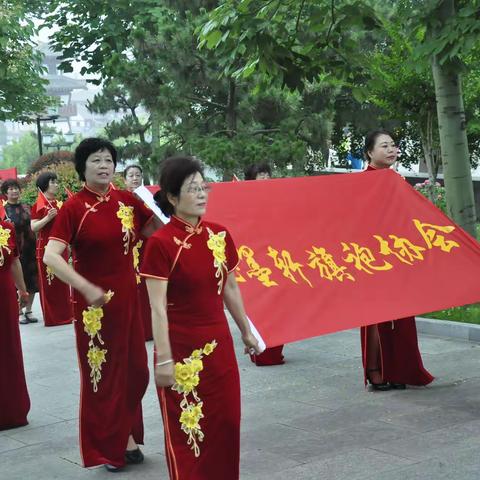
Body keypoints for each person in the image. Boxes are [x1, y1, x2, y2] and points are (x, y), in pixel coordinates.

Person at [141, 156, 261, 480]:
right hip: (181, 351)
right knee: (189, 432)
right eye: (192, 189)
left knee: (226, 423)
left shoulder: (219, 236)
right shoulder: (161, 244)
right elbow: (157, 307)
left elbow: (231, 287)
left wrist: (246, 331)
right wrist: (163, 360)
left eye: (202, 186)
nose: (201, 194)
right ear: (172, 197)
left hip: (218, 347)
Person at [44, 138, 160, 471]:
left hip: (129, 302)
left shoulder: (127, 201)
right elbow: (52, 256)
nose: (104, 165)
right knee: (105, 376)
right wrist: (85, 287)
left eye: (109, 159)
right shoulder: (73, 208)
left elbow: (156, 231)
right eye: (96, 160)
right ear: (83, 167)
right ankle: (117, 444)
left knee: (136, 373)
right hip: (94, 308)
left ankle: (122, 433)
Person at [361, 130, 434, 390]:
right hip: (372, 259)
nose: (391, 149)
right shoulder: (361, 183)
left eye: (393, 145)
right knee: (375, 315)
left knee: (401, 315)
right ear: (370, 152)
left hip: (398, 256)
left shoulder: (395, 179)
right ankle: (375, 369)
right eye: (384, 146)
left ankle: (401, 369)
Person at [244, 163, 285, 366]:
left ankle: (275, 352)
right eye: (261, 174)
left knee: (278, 307)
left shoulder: (278, 199)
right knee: (260, 307)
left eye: (267, 174)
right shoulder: (245, 203)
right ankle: (258, 351)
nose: (265, 178)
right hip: (256, 260)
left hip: (277, 258)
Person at [31, 172, 73, 327]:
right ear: (45, 185)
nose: (56, 185)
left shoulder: (61, 204)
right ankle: (53, 318)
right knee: (49, 285)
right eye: (52, 182)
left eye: (56, 181)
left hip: (61, 248)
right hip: (46, 248)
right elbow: (34, 227)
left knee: (63, 282)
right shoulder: (39, 205)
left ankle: (67, 315)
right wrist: (47, 218)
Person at [0, 217, 31, 429]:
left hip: (5, 299)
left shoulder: (6, 227)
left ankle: (13, 410)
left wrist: (22, 289)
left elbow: (14, 261)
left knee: (8, 350)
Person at [1, 179, 39, 324]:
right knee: (18, 280)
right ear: (5, 192)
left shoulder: (27, 207)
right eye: (10, 189)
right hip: (15, 249)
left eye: (16, 188)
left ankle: (29, 310)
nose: (14, 191)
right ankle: (19, 311)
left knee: (32, 280)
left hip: (30, 247)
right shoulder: (4, 210)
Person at [123, 164, 152, 341]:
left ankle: (150, 329)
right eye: (131, 175)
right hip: (128, 250)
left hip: (148, 247)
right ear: (124, 180)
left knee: (147, 288)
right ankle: (134, 331)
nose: (135, 178)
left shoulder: (149, 198)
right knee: (132, 289)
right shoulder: (121, 200)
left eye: (138, 175)